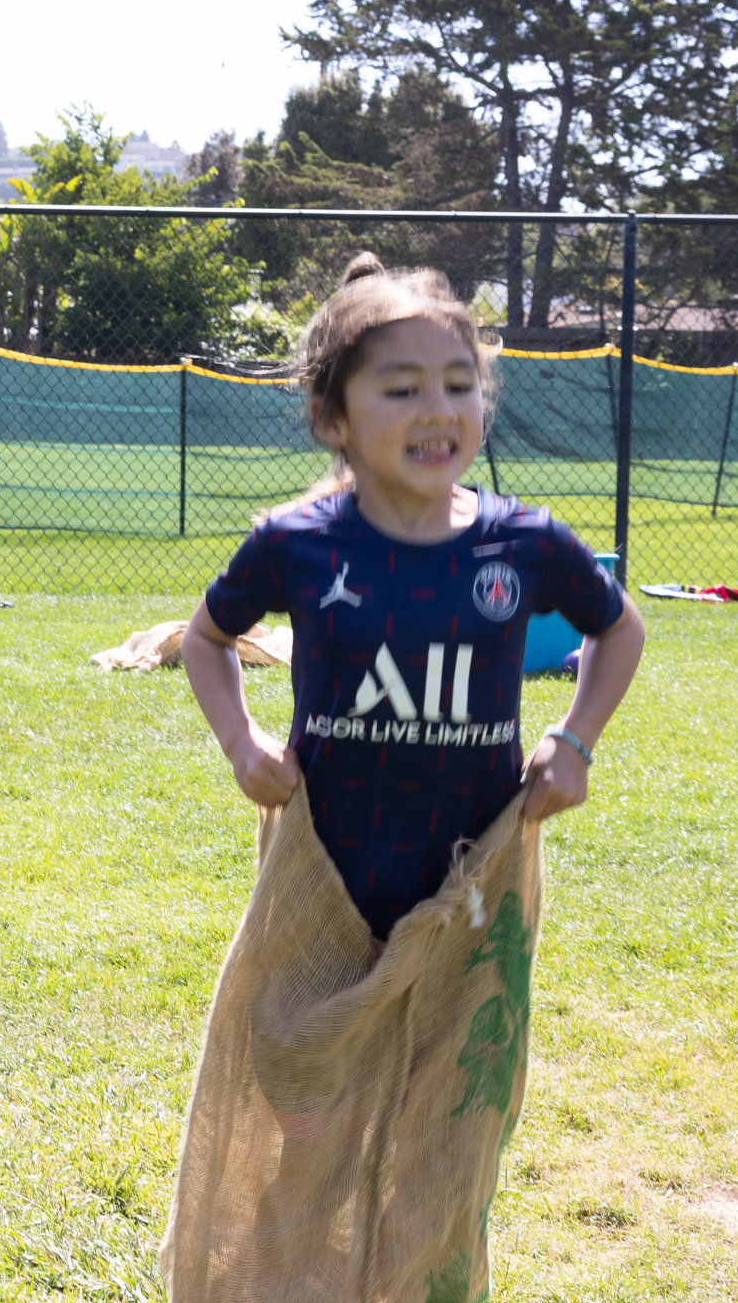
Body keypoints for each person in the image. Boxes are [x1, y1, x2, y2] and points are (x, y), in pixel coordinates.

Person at [184, 255, 644, 939]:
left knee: (454, 1051)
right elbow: (206, 637)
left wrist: (576, 740)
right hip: (323, 885)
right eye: (401, 390)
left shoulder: (524, 541)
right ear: (331, 418)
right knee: (305, 1048)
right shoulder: (295, 543)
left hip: (473, 888)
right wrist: (240, 740)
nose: (438, 409)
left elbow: (620, 627)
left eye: (460, 385)